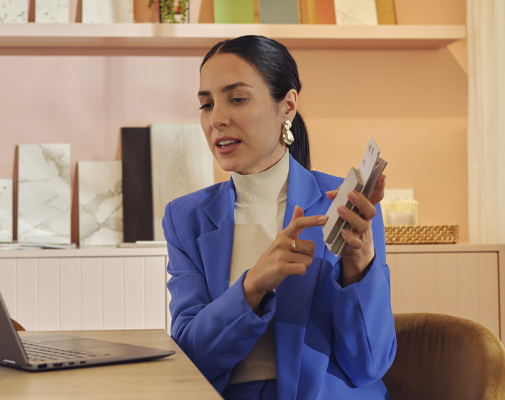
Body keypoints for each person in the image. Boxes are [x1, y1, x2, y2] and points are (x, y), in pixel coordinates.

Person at [163, 35, 396, 400]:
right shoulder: (186, 218)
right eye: (206, 105)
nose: (217, 119)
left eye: (237, 99)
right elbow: (192, 358)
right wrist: (252, 285)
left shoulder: (346, 202)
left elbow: (370, 364)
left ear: (286, 106)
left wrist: (359, 266)